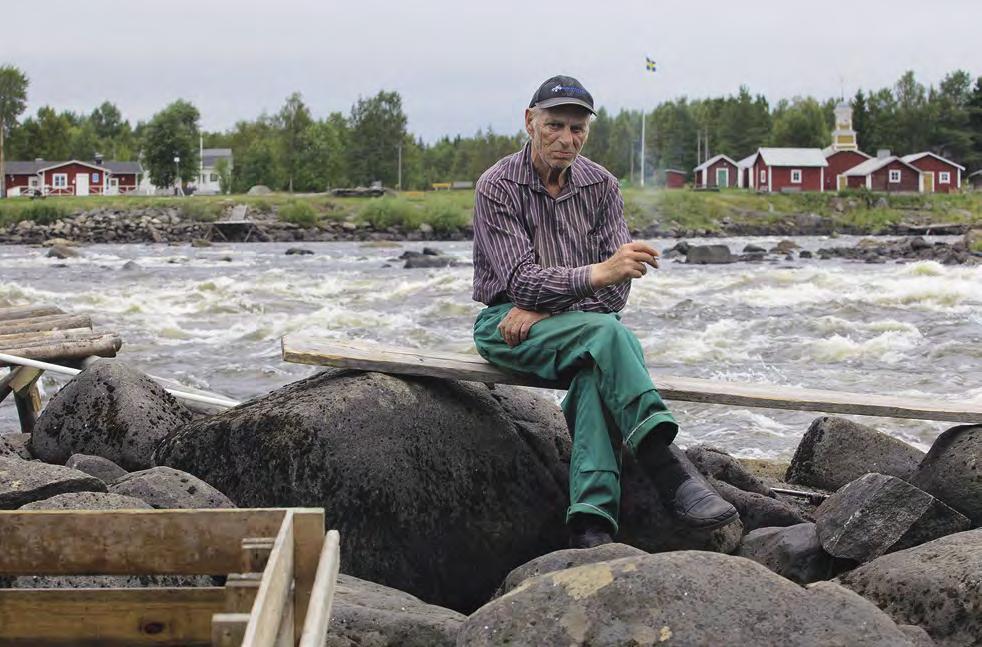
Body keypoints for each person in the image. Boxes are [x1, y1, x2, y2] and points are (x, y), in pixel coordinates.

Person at [471, 75, 738, 548]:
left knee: (598, 365)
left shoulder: (602, 186)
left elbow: (617, 296)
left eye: (577, 128)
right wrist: (595, 275)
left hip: (573, 325)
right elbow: (520, 282)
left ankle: (591, 524)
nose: (566, 139)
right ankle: (667, 467)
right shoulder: (497, 186)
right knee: (611, 338)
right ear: (529, 121)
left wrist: (552, 306)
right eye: (554, 125)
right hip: (505, 326)